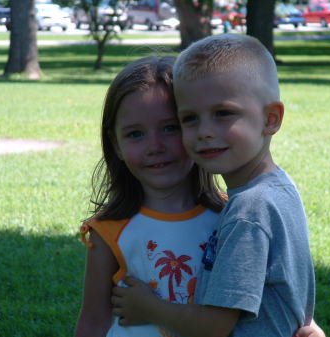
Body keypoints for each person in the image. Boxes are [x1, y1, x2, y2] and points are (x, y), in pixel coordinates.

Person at [111, 33, 320, 337]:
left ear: (271, 119)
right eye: (190, 118)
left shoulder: (249, 210)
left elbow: (215, 326)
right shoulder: (280, 187)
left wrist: (149, 308)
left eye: (223, 113)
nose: (205, 131)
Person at [74, 55, 225, 337]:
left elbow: (268, 290)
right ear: (116, 144)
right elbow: (93, 321)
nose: (154, 146)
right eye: (135, 134)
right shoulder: (108, 231)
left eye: (170, 128)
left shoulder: (232, 216)